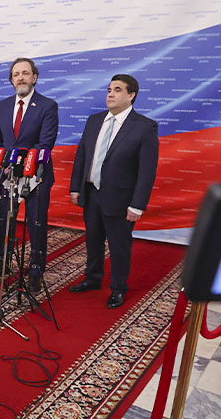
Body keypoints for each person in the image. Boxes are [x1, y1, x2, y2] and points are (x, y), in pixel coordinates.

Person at [68, 74, 159, 308]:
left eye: (117, 90)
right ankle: (92, 278)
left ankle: (118, 288)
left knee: (119, 246)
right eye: (109, 89)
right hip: (92, 193)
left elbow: (147, 171)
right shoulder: (94, 120)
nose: (110, 94)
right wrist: (76, 187)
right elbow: (82, 156)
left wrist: (137, 205)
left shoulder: (145, 127)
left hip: (121, 198)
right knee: (93, 239)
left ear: (131, 95)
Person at [0, 57, 59, 293]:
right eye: (16, 74)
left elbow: (45, 143)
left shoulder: (48, 106)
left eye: (25, 73)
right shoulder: (2, 106)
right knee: (4, 222)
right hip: (7, 175)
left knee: (36, 224)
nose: (20, 78)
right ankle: (2, 263)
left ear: (34, 77)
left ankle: (36, 270)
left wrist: (21, 163)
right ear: (11, 80)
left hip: (35, 176)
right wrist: (6, 163)